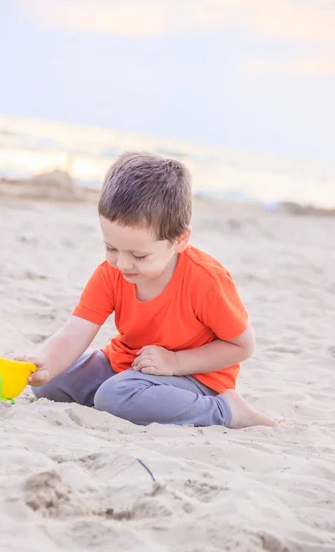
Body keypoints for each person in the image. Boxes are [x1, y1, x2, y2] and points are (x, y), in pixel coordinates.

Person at [18, 152, 276, 429]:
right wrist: (44, 364)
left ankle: (226, 411)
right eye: (111, 248)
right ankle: (133, 399)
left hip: (195, 375)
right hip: (128, 364)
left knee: (113, 396)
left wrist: (175, 362)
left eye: (139, 255)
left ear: (179, 240)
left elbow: (243, 346)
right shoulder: (110, 272)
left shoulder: (206, 280)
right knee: (51, 384)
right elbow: (76, 331)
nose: (122, 263)